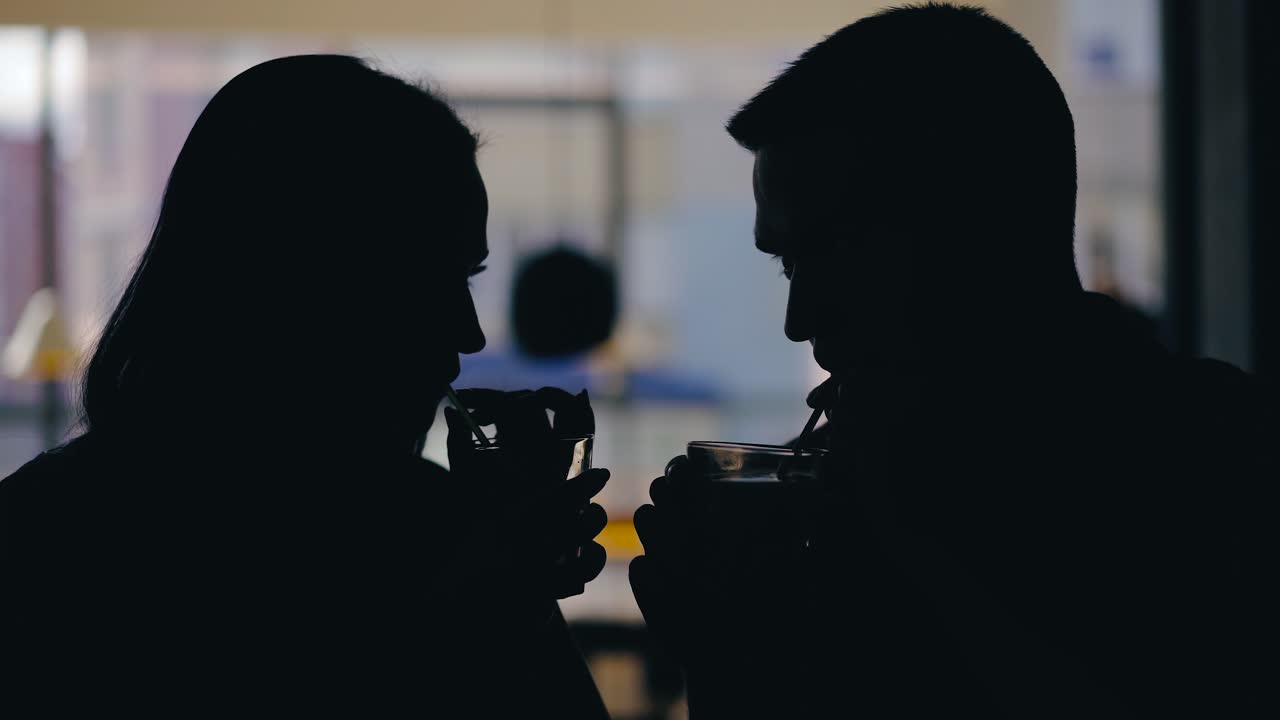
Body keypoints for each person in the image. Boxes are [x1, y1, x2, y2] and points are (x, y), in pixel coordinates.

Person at [631, 4, 1275, 717]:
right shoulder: (840, 493)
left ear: (975, 231)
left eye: (835, 253)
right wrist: (728, 651)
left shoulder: (1221, 461)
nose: (800, 321)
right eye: (789, 266)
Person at [0, 55, 611, 716]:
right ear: (299, 282)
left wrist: (509, 594)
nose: (470, 334)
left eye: (466, 277)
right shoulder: (435, 538)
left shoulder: (44, 531)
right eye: (425, 280)